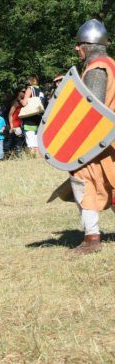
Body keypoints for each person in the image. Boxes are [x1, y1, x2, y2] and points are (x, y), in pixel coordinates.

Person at [66, 19, 115, 254]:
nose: (76, 49)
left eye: (78, 45)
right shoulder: (112, 64)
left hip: (99, 140)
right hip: (109, 138)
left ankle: (91, 238)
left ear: (87, 45)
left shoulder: (97, 69)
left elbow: (91, 109)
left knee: (82, 182)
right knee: (111, 185)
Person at [19, 75, 46, 155]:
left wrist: (20, 100)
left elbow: (24, 103)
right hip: (38, 116)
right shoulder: (40, 89)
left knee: (30, 139)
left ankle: (32, 156)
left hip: (30, 117)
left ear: (30, 81)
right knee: (37, 139)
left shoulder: (30, 89)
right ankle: (37, 156)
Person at [7, 88, 25, 157]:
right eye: (23, 91)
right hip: (15, 125)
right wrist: (11, 126)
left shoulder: (23, 102)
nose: (24, 93)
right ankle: (10, 155)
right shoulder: (16, 102)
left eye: (25, 92)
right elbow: (10, 114)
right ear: (18, 92)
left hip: (20, 125)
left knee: (19, 141)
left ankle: (16, 155)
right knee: (15, 141)